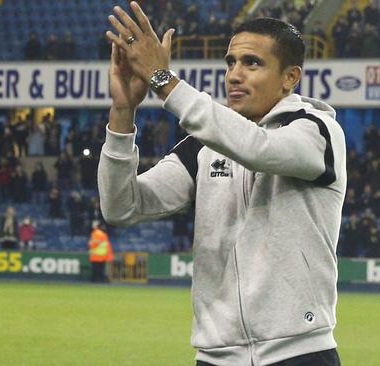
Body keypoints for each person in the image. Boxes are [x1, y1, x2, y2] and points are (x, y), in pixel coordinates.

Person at [100, 3, 346, 365]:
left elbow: (257, 148)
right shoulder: (205, 145)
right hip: (217, 356)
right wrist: (122, 114)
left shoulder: (316, 131)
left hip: (298, 352)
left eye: (252, 63)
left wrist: (164, 81)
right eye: (231, 62)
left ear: (290, 77)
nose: (234, 74)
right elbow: (122, 206)